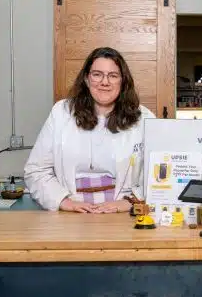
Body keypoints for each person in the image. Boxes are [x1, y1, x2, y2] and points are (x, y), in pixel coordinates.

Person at [24, 46, 154, 212]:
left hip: (122, 214)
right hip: (70, 214)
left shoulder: (144, 117)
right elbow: (36, 171)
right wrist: (64, 202)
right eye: (97, 74)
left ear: (123, 81)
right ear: (86, 79)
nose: (104, 82)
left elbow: (158, 174)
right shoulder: (61, 112)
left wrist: (130, 202)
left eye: (113, 76)